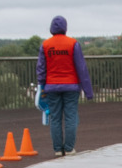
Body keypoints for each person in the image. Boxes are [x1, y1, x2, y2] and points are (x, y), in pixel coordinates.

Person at [36, 15, 93, 156]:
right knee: (70, 117)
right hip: (71, 86)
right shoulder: (73, 44)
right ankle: (69, 149)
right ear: (65, 27)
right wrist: (88, 91)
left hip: (51, 86)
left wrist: (41, 85)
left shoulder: (46, 45)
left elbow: (41, 68)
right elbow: (81, 68)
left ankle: (57, 149)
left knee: (55, 118)